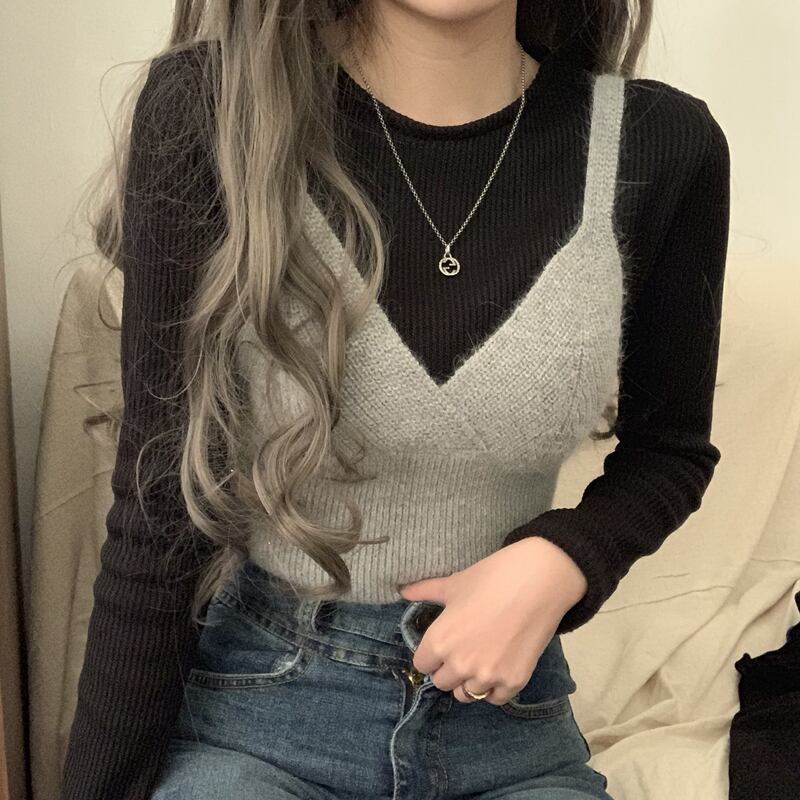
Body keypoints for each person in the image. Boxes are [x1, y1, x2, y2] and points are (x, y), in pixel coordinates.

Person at [60, 1, 730, 798]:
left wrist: (562, 560)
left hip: (506, 728)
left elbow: (670, 452)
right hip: (259, 720)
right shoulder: (212, 108)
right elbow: (160, 508)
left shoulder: (662, 143)